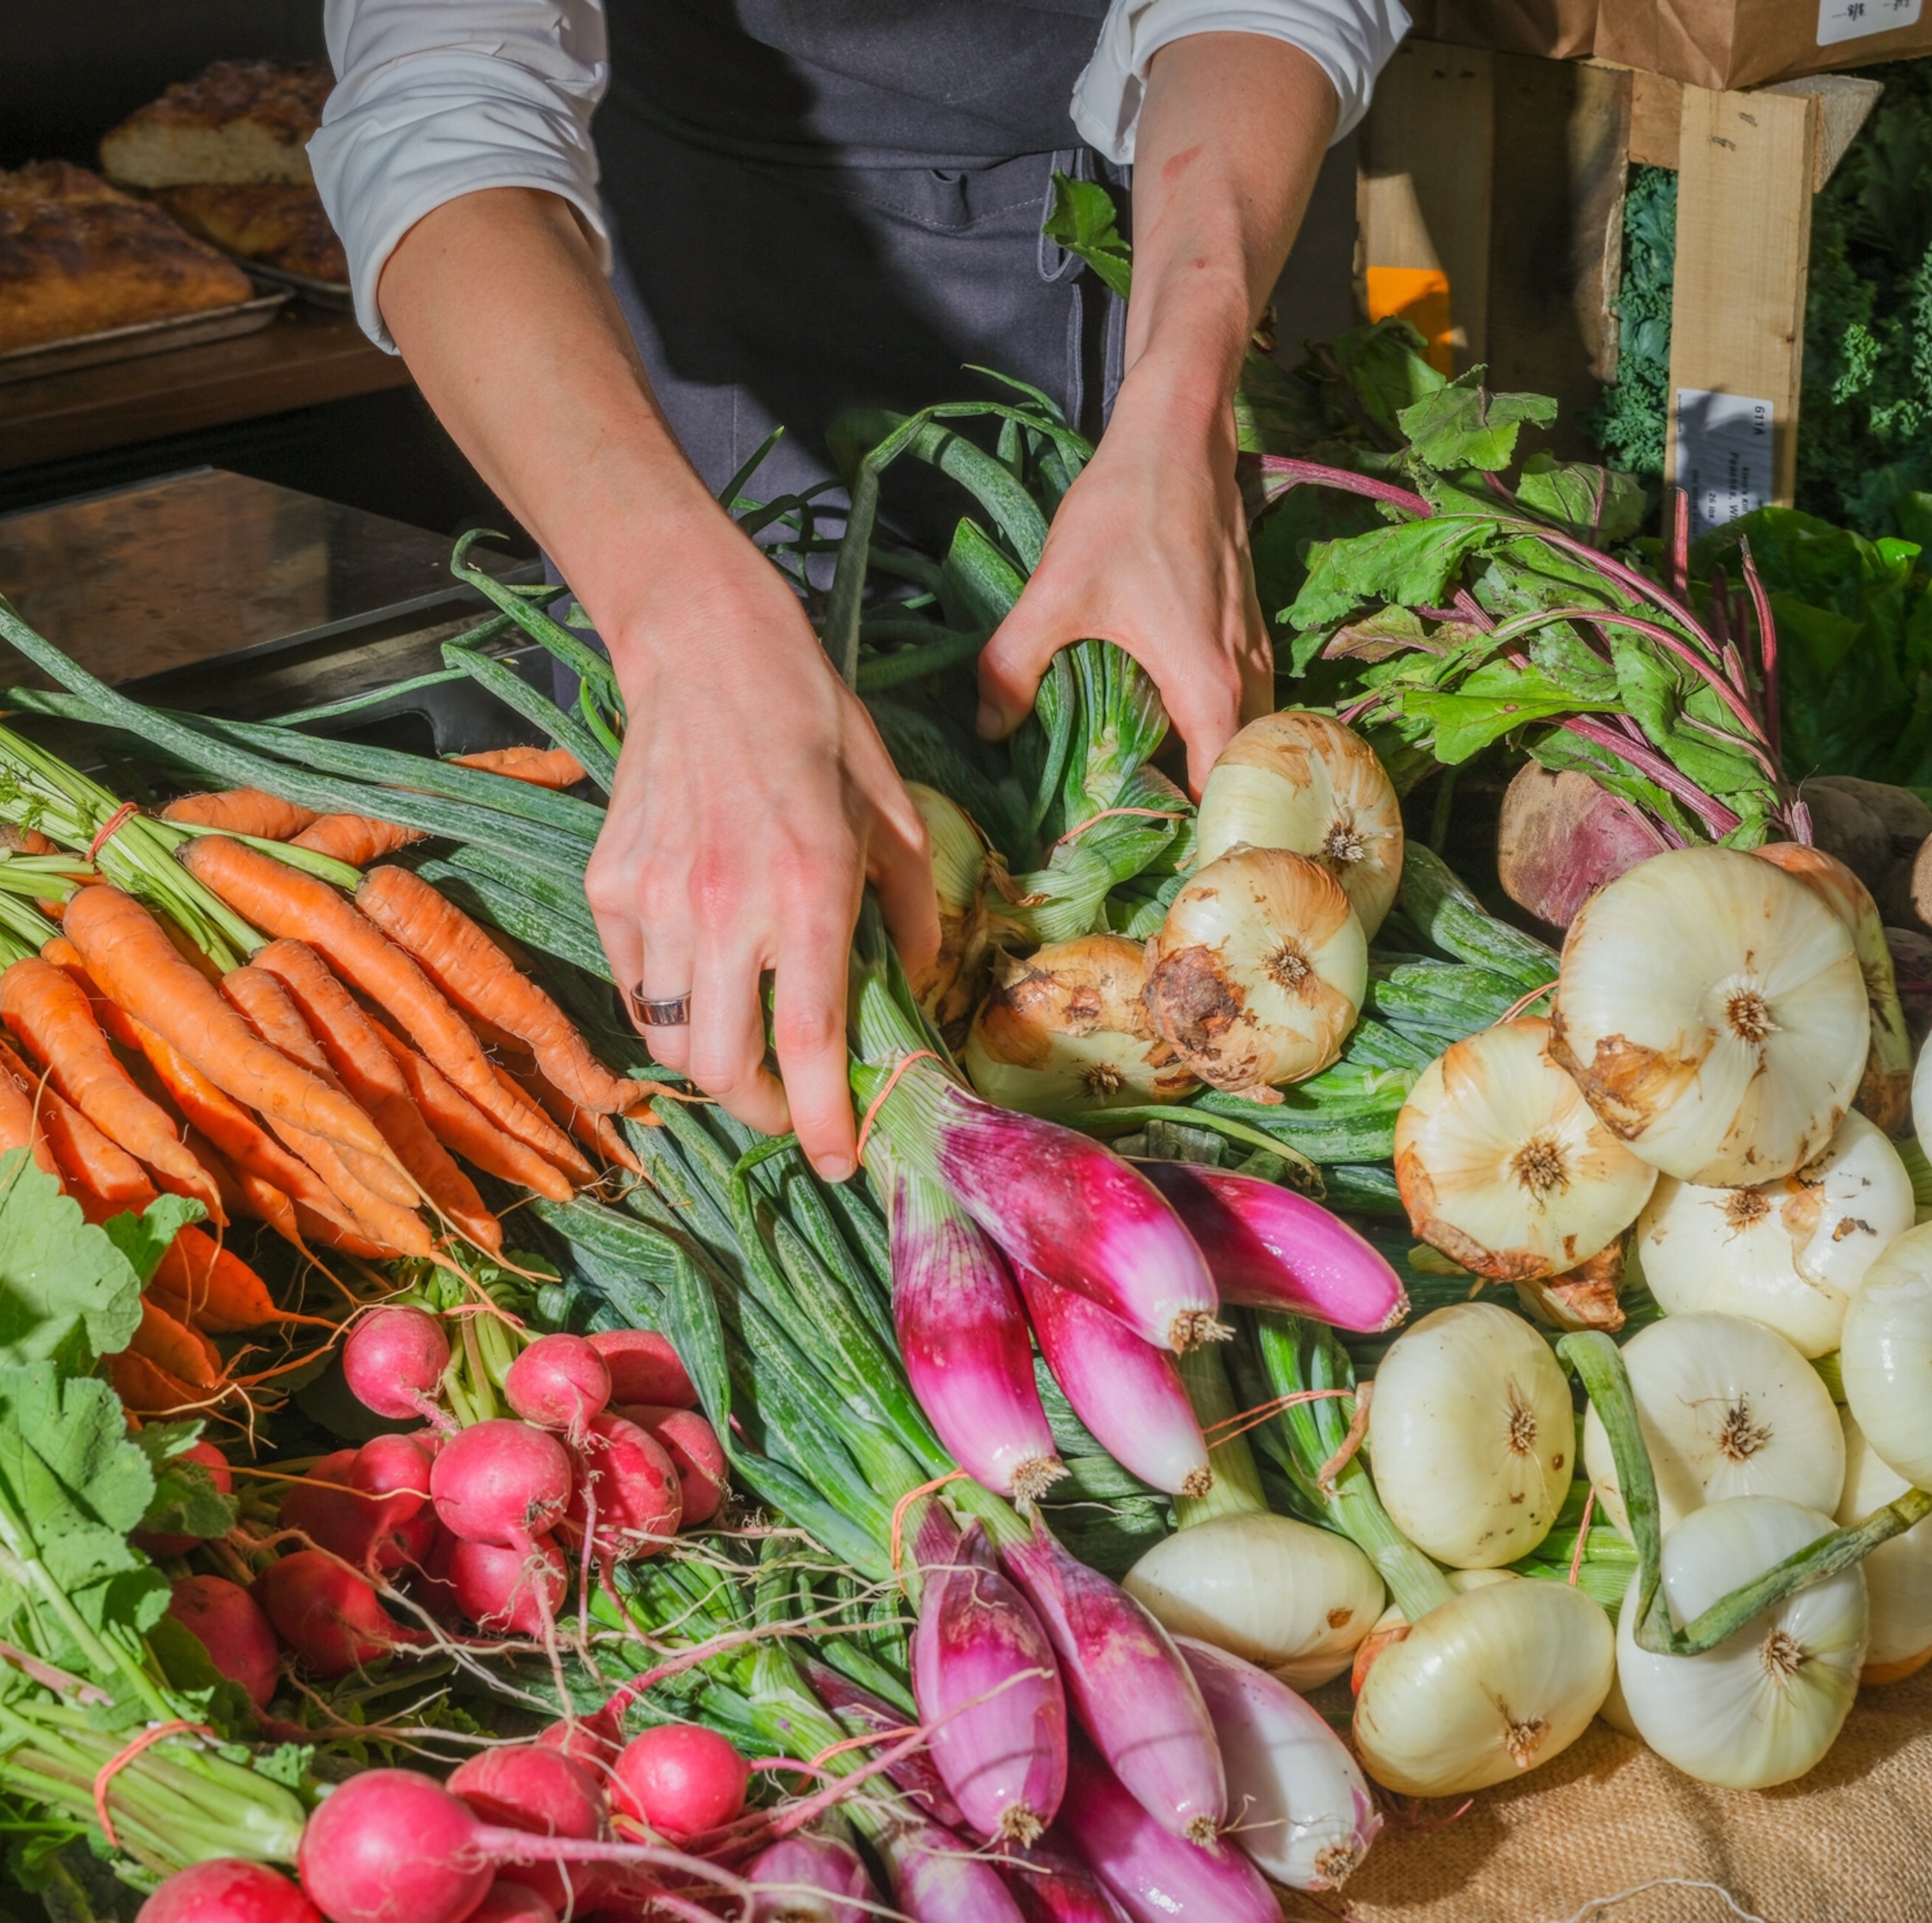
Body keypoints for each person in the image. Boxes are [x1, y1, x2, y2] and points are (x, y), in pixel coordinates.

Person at [308, 0, 1408, 1180]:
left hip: (1154, 224)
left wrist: (1180, 400)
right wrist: (678, 611)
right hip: (695, 333)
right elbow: (442, 103)